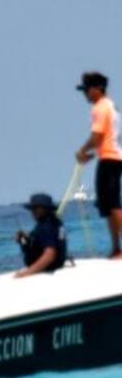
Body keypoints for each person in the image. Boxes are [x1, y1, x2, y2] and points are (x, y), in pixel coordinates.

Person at [74, 71, 122, 257]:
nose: (85, 94)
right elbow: (108, 136)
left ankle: (118, 248)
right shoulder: (112, 107)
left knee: (113, 204)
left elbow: (97, 136)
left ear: (97, 89)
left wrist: (82, 151)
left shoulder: (100, 108)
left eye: (87, 90)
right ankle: (116, 248)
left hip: (110, 158)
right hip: (111, 156)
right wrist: (92, 152)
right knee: (108, 204)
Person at [14, 192, 67, 278]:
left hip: (48, 268)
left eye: (35, 208)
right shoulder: (55, 222)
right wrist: (24, 239)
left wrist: (26, 273)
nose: (32, 212)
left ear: (44, 209)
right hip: (58, 263)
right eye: (32, 209)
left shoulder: (46, 227)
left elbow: (49, 255)